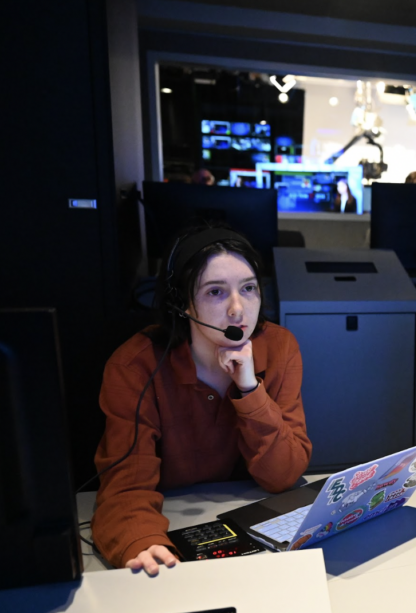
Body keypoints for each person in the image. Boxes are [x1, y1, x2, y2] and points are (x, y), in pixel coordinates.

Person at [91, 225, 312, 574]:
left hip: (257, 532)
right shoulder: (135, 365)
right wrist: (144, 544)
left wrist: (250, 389)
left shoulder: (279, 346)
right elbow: (125, 487)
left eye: (249, 288)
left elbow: (283, 476)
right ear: (182, 304)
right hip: (174, 524)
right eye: (215, 292)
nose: (238, 309)